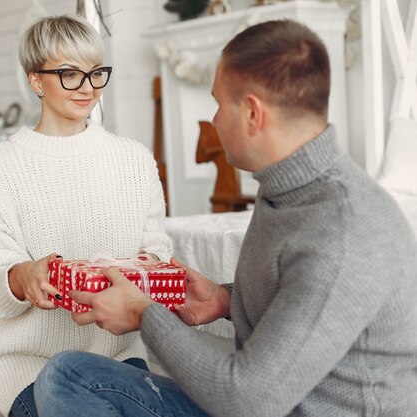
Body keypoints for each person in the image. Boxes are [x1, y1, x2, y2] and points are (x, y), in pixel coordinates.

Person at [33, 19, 417, 417]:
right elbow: (302, 300)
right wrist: (226, 299)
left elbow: (247, 400)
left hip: (261, 404)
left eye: (218, 104)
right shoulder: (287, 185)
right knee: (68, 374)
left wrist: (144, 314)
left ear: (252, 113)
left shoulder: (344, 234)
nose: (213, 121)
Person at [0, 14, 172, 417]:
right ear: (35, 80)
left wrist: (148, 270)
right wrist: (22, 277)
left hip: (119, 356)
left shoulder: (134, 159)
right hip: (27, 369)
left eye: (95, 73)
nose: (88, 88)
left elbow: (155, 250)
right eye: (70, 74)